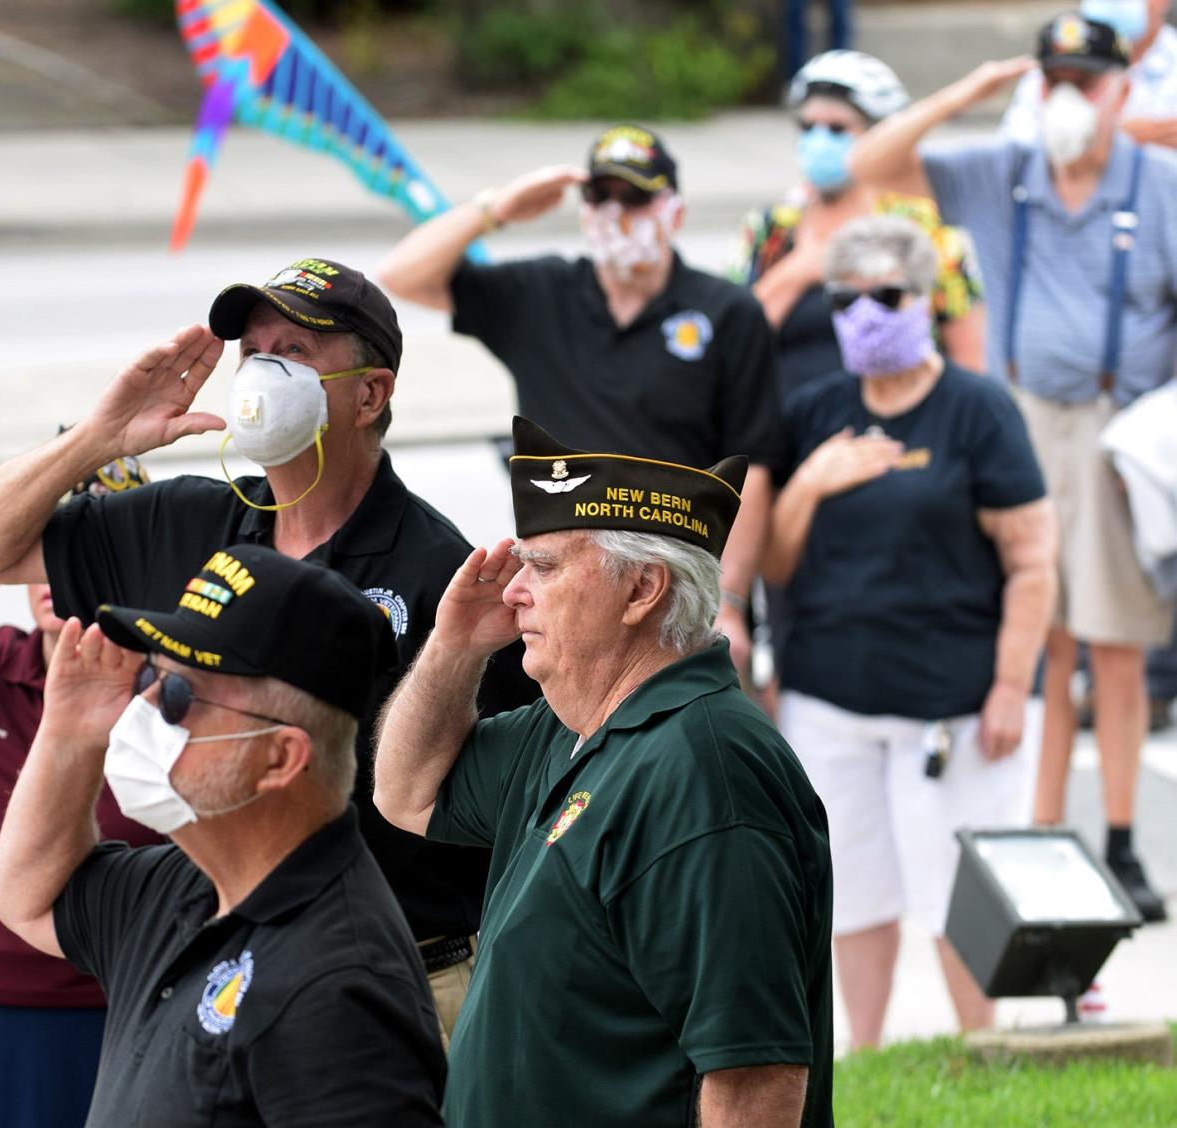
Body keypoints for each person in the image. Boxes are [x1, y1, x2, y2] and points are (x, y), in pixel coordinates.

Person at [0, 259, 538, 1040]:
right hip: (225, 960)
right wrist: (99, 437)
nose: (263, 371)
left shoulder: (438, 572)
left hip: (403, 975)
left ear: (370, 393)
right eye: (254, 352)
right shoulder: (186, 522)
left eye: (295, 350)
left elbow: (510, 805)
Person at [374, 416, 833, 1128]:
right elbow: (404, 793)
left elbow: (753, 1078)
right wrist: (453, 645)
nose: (514, 592)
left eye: (545, 567)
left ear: (641, 589)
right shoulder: (567, 729)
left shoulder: (706, 770)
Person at [849, 11, 1177, 922]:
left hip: (1118, 431)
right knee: (1040, 641)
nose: (1072, 97)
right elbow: (876, 167)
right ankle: (1042, 839)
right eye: (1056, 80)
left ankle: (1117, 843)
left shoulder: (1159, 185)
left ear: (1121, 91)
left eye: (1089, 81)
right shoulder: (1007, 171)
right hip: (1020, 421)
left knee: (1114, 646)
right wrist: (973, 89)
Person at [0, 544, 446, 1125]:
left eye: (178, 696)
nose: (145, 706)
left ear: (280, 758)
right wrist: (69, 734)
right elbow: (25, 898)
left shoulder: (337, 986)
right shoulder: (185, 886)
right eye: (152, 674)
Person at [761, 215, 1057, 1049]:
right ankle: (866, 1052)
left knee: (958, 886)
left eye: (885, 296)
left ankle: (980, 1046)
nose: (864, 315)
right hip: (832, 700)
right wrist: (808, 485)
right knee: (852, 889)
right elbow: (776, 564)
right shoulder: (815, 410)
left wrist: (1008, 688)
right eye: (844, 301)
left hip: (955, 707)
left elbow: (1033, 560)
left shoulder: (977, 409)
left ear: (928, 300)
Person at [376, 125, 784, 683]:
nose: (616, 213)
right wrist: (497, 208)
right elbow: (403, 275)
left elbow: (753, 466)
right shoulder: (542, 294)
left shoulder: (727, 312)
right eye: (599, 196)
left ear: (674, 212)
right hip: (560, 582)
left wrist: (732, 601)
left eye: (635, 198)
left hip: (677, 586)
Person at [0, 459, 161, 1128]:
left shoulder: (181, 688)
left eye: (87, 543)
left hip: (136, 1015)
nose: (55, 565)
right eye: (40, 542)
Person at [1002, 0, 1177, 732]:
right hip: (1046, 390)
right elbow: (1028, 156)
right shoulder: (1041, 91)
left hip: (1131, 397)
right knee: (1056, 616)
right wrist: (1125, 134)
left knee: (1126, 607)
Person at [728, 50, 986, 402]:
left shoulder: (923, 229)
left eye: (837, 129)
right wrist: (799, 271)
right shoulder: (772, 228)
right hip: (789, 430)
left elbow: (970, 362)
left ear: (880, 136)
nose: (818, 141)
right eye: (807, 126)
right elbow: (734, 341)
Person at [1003, 0, 1177, 150]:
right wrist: (1110, 138)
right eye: (1077, 82)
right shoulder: (1060, 55)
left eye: (1084, 82)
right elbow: (1014, 150)